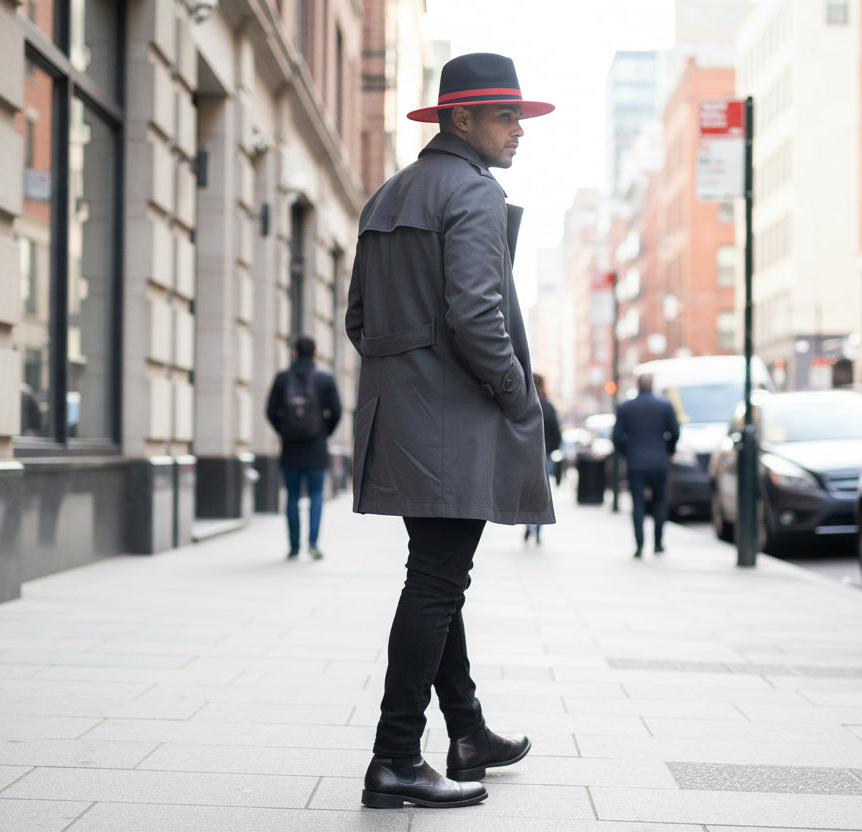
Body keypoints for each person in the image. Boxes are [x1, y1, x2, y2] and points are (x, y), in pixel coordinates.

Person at [346, 52, 556, 809]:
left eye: (520, 117)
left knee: (437, 579)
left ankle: (467, 732)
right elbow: (477, 318)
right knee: (436, 583)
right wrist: (515, 394)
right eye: (506, 116)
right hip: (455, 423)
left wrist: (410, 377)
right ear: (459, 118)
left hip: (400, 421)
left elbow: (358, 322)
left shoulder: (387, 195)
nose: (518, 131)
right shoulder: (469, 195)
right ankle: (395, 757)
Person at [265, 335, 342, 559]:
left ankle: (294, 546)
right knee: (317, 495)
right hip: (316, 448)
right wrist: (323, 432)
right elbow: (336, 412)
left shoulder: (282, 378)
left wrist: (284, 431)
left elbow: (270, 412)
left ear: (294, 352)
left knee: (292, 496)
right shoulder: (325, 379)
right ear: (315, 353)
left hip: (290, 448)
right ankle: (313, 544)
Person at [613, 373, 680, 558]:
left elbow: (617, 437)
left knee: (638, 504)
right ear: (652, 385)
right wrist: (667, 449)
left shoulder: (626, 407)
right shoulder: (665, 406)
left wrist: (628, 452)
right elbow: (675, 432)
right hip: (659, 461)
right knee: (660, 501)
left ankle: (639, 544)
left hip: (635, 463)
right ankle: (658, 543)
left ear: (638, 385)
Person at [524, 373, 561, 544]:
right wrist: (550, 449)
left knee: (527, 492)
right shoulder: (547, 405)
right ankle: (537, 529)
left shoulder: (524, 402)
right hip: (544, 454)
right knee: (541, 493)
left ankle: (527, 525)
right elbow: (556, 432)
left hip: (525, 454)